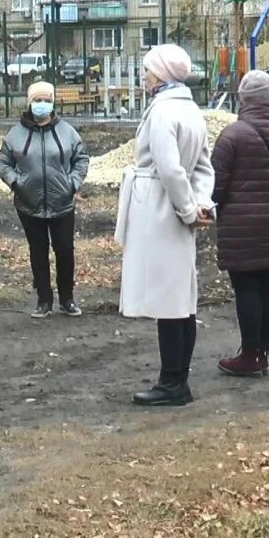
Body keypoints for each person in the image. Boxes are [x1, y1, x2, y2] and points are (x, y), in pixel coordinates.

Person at [115, 44, 214, 407]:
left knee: (168, 300)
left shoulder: (162, 113)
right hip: (175, 209)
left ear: (162, 73)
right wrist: (201, 203)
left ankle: (172, 382)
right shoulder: (191, 110)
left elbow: (170, 169)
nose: (144, 76)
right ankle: (176, 378)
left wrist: (188, 209)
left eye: (147, 69)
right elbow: (203, 166)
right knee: (180, 298)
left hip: (158, 209)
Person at [211, 71, 269, 377]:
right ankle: (263, 351)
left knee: (247, 289)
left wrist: (228, 207)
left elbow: (216, 186)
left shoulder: (232, 136)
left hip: (241, 226)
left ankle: (249, 354)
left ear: (243, 99)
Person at [0, 80, 90, 319]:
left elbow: (81, 159)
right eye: (38, 100)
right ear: (30, 103)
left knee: (65, 250)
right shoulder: (15, 134)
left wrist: (73, 183)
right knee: (38, 251)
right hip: (29, 204)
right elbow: (3, 163)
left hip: (62, 203)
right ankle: (43, 300)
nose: (43, 105)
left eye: (47, 100)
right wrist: (16, 182)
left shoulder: (67, 131)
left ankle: (67, 299)